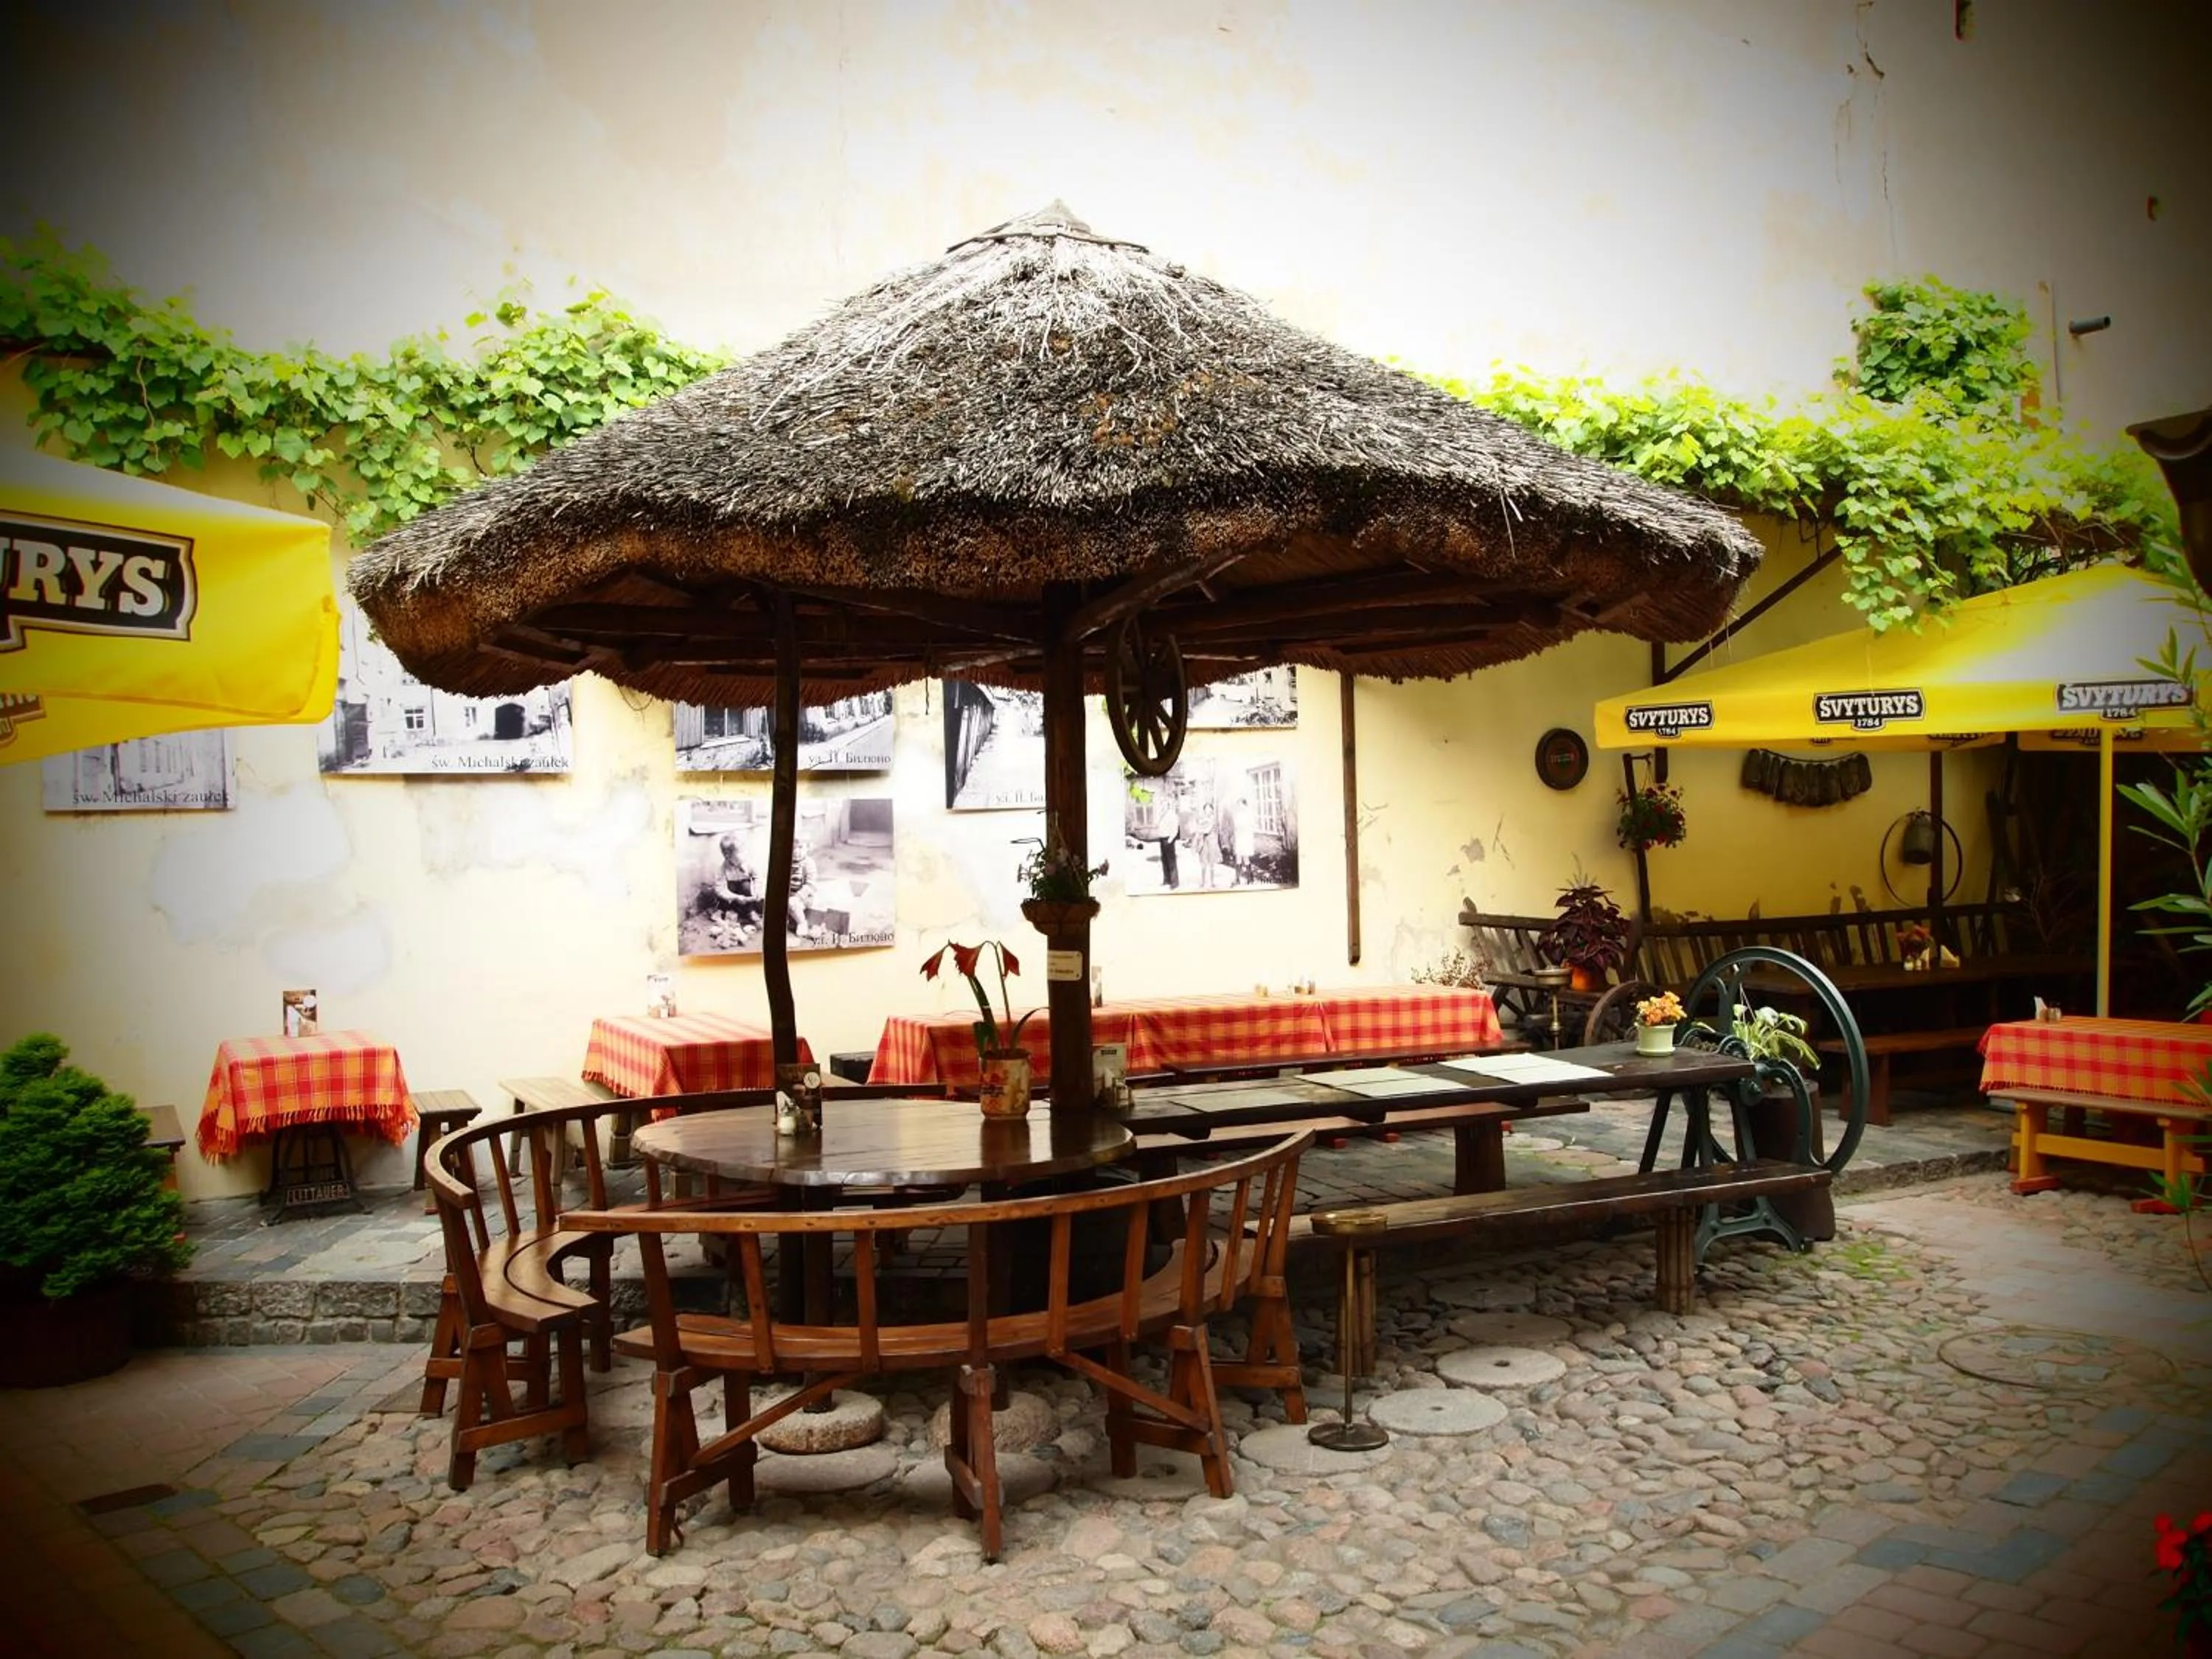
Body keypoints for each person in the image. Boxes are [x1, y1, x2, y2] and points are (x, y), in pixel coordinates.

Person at [707, 834, 764, 933]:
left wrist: (757, 890)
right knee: (723, 894)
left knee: (746, 885)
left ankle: (750, 911)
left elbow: (758, 877)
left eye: (745, 851)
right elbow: (720, 889)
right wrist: (735, 897)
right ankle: (723, 910)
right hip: (732, 895)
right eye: (740, 853)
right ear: (728, 856)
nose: (745, 854)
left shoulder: (749, 863)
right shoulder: (722, 869)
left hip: (745, 894)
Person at [1154, 796, 1181, 889]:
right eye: (1162, 805)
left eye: (1165, 805)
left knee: (1171, 861)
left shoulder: (1172, 815)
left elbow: (1175, 829)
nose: (1163, 807)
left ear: (1168, 806)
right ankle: (1167, 880)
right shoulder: (1162, 814)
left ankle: (1174, 883)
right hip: (1162, 839)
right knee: (1164, 860)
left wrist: (1170, 840)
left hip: (1169, 839)